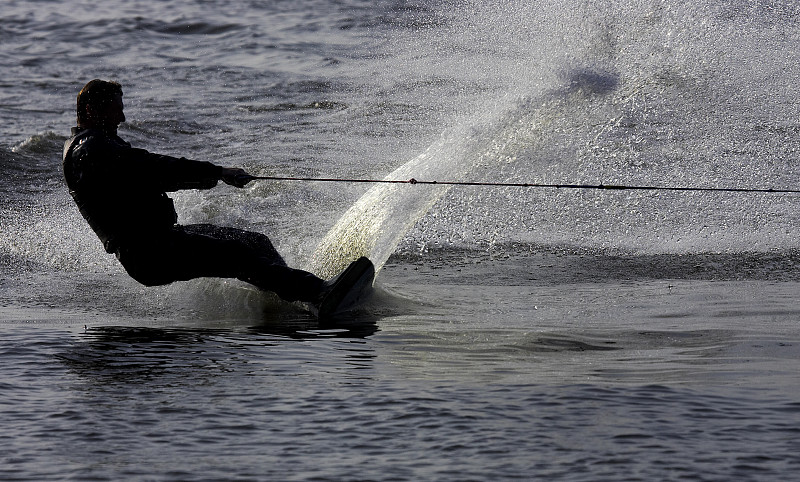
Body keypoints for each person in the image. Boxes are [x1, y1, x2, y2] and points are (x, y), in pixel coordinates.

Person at [62, 79, 327, 303]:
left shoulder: (96, 145)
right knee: (237, 254)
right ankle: (318, 293)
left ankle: (292, 294)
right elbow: (156, 168)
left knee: (254, 242)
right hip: (148, 252)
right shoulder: (89, 150)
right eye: (115, 110)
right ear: (91, 110)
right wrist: (218, 172)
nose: (122, 118)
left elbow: (155, 177)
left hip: (161, 240)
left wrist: (215, 177)